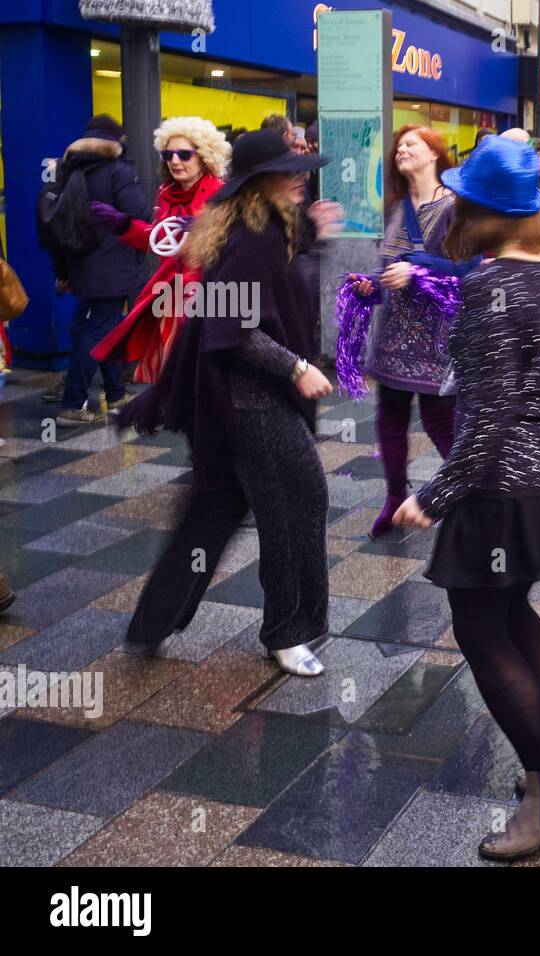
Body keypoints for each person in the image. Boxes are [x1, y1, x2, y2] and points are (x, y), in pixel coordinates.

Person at [392, 135, 540, 860]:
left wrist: (435, 495)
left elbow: (489, 416)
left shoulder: (487, 290)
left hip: (499, 487)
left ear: (478, 211)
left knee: (480, 627)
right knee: (514, 608)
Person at [116, 129, 334, 677]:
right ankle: (286, 632)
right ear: (260, 185)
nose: (300, 176)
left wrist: (315, 233)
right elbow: (232, 327)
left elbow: (270, 281)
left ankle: (151, 623)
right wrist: (297, 367)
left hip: (230, 403)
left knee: (212, 512)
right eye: (289, 171)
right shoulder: (253, 237)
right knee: (297, 503)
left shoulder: (257, 226)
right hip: (252, 402)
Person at [345, 125, 465, 539]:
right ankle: (395, 495)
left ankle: (469, 497)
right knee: (389, 421)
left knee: (440, 422)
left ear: (434, 153)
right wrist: (371, 285)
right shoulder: (397, 209)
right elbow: (387, 270)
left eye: (411, 144)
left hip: (436, 339)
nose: (402, 150)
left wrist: (418, 271)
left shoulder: (454, 207)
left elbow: (469, 270)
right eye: (398, 147)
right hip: (392, 337)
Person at [89, 117, 229, 384]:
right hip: (172, 295)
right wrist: (123, 225)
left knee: (205, 372)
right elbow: (157, 239)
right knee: (175, 373)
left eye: (184, 154)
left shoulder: (221, 194)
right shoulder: (166, 193)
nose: (175, 161)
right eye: (168, 154)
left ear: (203, 156)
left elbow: (236, 246)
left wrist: (206, 229)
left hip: (212, 295)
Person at [49, 115, 150, 425]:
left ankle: (116, 393)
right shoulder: (119, 171)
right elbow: (139, 213)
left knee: (104, 326)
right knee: (96, 330)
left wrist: (63, 270)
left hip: (82, 262)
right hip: (113, 266)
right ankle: (72, 403)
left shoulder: (69, 169)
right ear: (116, 141)